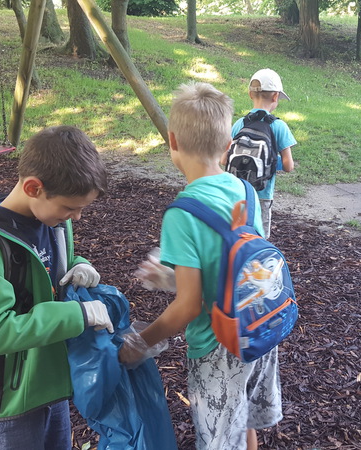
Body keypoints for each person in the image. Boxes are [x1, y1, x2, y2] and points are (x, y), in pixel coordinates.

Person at [119, 82, 283, 450]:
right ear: (228, 145)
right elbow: (231, 266)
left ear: (172, 141)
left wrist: (140, 343)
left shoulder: (182, 214)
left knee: (220, 439)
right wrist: (171, 277)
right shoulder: (245, 192)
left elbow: (189, 307)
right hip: (257, 330)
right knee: (241, 422)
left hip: (217, 346)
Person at [0, 125, 115, 450]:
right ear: (33, 188)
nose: (77, 217)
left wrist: (80, 264)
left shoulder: (53, 221)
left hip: (52, 382)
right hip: (11, 399)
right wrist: (78, 315)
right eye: (70, 208)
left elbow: (52, 266)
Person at [222, 68, 297, 239]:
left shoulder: (240, 124)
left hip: (238, 192)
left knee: (237, 234)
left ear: (250, 94)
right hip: (262, 194)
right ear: (275, 96)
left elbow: (223, 159)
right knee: (258, 238)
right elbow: (288, 166)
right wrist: (270, 160)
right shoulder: (279, 126)